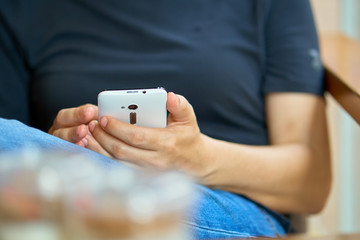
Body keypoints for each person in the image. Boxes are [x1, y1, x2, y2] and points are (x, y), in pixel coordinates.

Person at [0, 0, 331, 238]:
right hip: (74, 195)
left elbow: (311, 183)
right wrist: (55, 153)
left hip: (216, 202)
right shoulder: (19, 8)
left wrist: (200, 160)